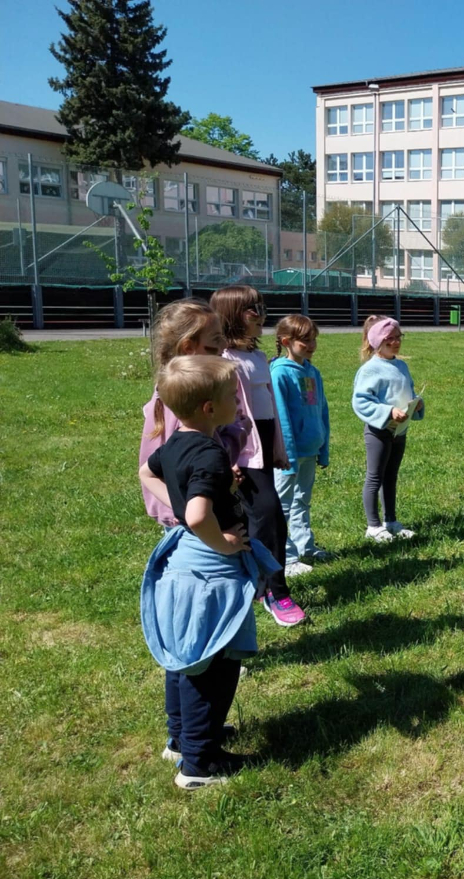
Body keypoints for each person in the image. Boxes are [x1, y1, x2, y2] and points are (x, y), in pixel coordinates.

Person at [138, 355, 279, 790]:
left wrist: (191, 502)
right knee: (213, 664)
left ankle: (182, 739)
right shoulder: (211, 454)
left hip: (182, 567)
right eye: (232, 396)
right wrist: (224, 542)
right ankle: (199, 764)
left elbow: (147, 473)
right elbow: (200, 516)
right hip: (211, 574)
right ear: (208, 408)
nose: (239, 402)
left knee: (186, 657)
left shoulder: (179, 442)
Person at [210, 286, 305, 627]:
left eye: (262, 308)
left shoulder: (259, 357)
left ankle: (257, 585)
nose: (261, 316)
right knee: (268, 516)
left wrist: (277, 447)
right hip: (240, 450)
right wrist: (228, 458)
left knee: (262, 519)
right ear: (232, 315)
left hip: (262, 444)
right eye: (253, 310)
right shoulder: (223, 359)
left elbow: (269, 411)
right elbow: (221, 417)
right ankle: (274, 592)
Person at [138, 300, 250, 527]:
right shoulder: (190, 402)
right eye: (215, 340)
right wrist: (238, 430)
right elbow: (199, 455)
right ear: (189, 347)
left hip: (182, 507)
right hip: (192, 513)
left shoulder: (172, 390)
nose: (224, 345)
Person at [352, 316, 423, 543]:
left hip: (399, 431)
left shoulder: (401, 366)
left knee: (391, 477)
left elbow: (407, 391)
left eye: (398, 337)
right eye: (389, 339)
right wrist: (388, 411)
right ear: (376, 341)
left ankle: (390, 521)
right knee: (375, 477)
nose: (396, 342)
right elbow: (361, 401)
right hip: (379, 432)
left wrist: (416, 403)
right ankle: (373, 526)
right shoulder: (370, 370)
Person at [270, 315, 331, 577]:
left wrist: (324, 447)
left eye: (314, 339)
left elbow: (321, 410)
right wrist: (288, 456)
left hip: (310, 449)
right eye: (305, 340)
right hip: (288, 456)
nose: (312, 345)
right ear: (286, 342)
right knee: (282, 505)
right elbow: (281, 418)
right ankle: (286, 556)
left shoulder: (312, 372)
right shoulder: (279, 373)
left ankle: (305, 545)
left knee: (302, 500)